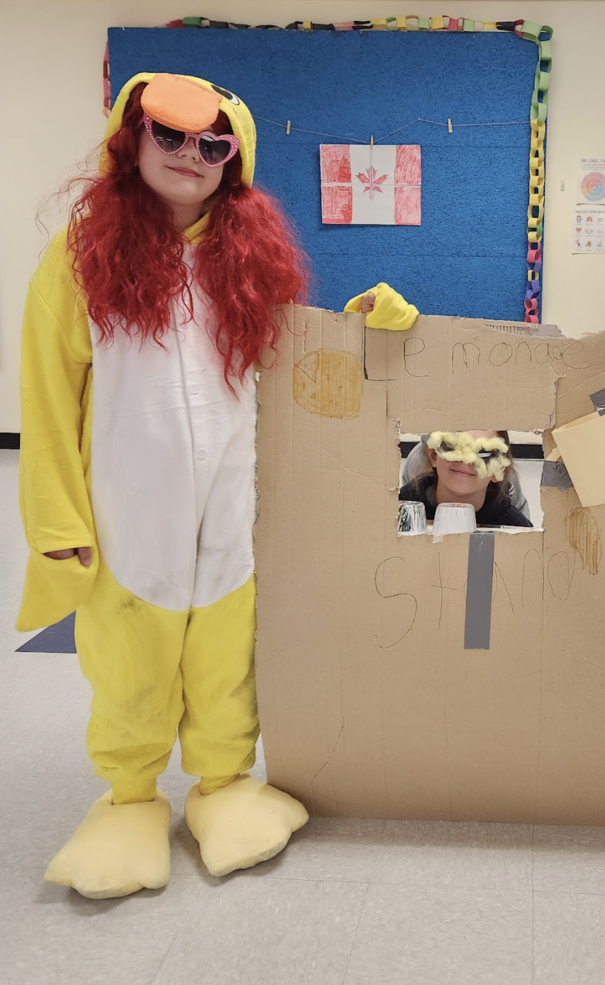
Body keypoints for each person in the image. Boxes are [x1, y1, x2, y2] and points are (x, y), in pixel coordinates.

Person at [19, 71, 357, 900]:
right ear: (129, 139)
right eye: (168, 135)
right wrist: (57, 516)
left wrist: (371, 334)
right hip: (128, 508)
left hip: (231, 508)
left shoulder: (253, 263)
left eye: (212, 144)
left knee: (224, 658)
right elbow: (47, 393)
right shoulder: (78, 260)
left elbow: (299, 369)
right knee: (130, 660)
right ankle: (130, 798)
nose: (189, 155)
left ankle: (223, 783)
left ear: (232, 163)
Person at [399, 430, 533, 528]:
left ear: (499, 469)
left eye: (483, 453)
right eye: (454, 448)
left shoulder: (515, 527)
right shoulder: (395, 513)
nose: (466, 461)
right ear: (434, 456)